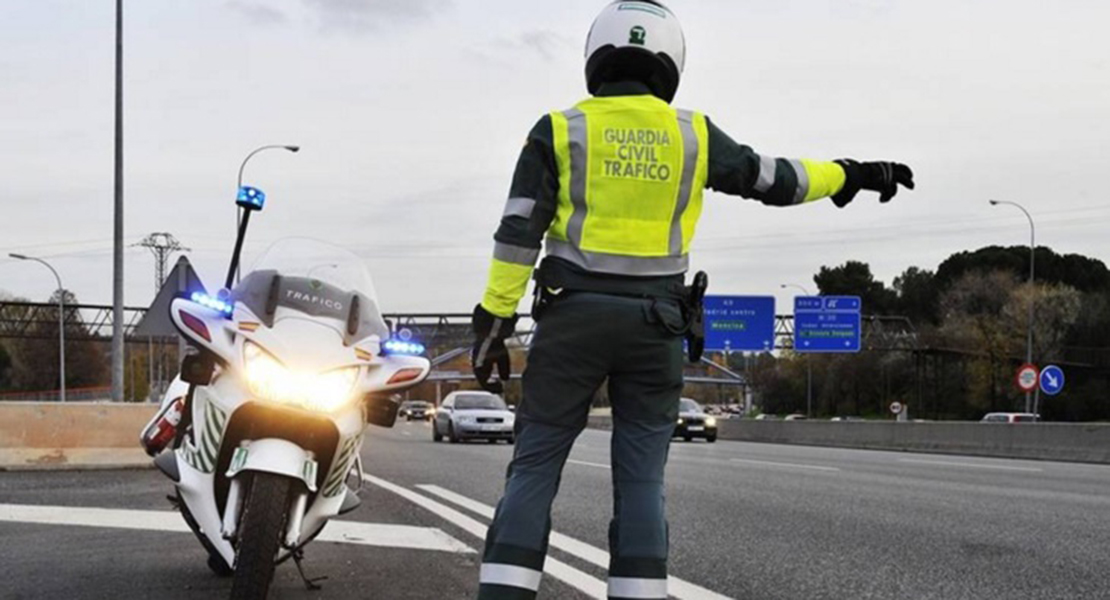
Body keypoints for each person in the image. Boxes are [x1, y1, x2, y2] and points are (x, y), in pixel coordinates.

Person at [469, 1, 914, 598]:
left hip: (571, 323)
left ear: (596, 58)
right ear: (670, 61)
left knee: (535, 467)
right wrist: (852, 174)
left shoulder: (559, 129)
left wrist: (494, 321)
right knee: (642, 481)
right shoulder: (692, 134)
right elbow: (777, 179)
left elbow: (518, 232)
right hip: (656, 328)